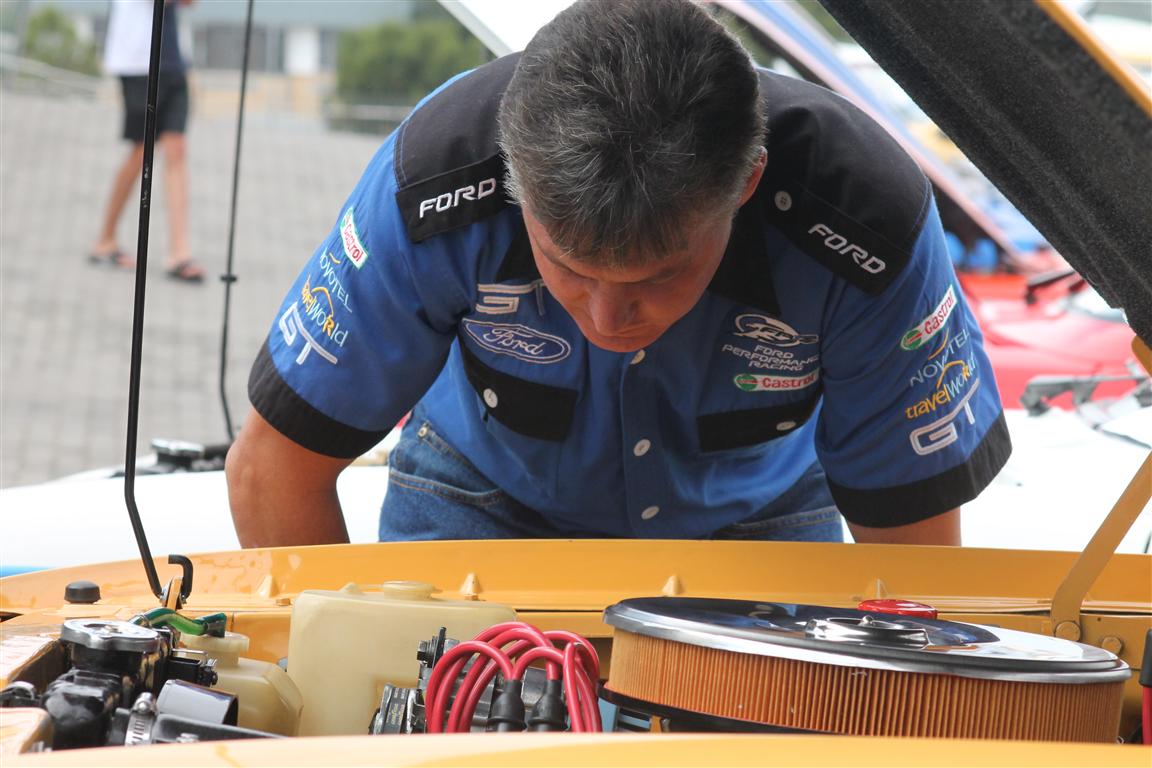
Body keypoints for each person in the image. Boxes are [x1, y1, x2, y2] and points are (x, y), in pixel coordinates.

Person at [226, 0, 1011, 548]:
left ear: (745, 182)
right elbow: (272, 469)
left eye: (660, 276)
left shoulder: (864, 223)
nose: (609, 321)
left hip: (757, 515)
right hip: (480, 493)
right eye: (567, 269)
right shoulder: (433, 182)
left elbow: (914, 563)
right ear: (511, 179)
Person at [89, 0, 204, 282]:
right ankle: (105, 239)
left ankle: (179, 252)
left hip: (172, 57)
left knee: (177, 148)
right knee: (141, 150)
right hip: (139, 59)